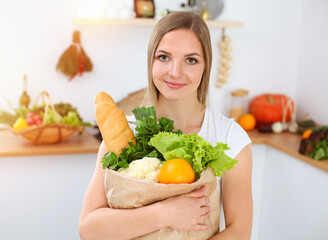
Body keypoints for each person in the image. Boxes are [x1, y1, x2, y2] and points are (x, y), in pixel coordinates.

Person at [79, 11, 253, 240]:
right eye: (163, 57)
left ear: (205, 67)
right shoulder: (125, 132)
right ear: (151, 61)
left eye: (191, 60)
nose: (175, 72)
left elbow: (239, 232)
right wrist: (165, 214)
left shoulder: (231, 138)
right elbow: (89, 229)